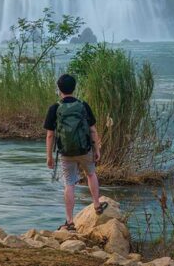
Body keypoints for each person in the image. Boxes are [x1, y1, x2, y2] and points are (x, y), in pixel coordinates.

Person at [44, 73, 107, 232]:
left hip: (65, 152)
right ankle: (97, 205)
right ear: (74, 88)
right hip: (84, 149)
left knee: (69, 183)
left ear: (59, 89)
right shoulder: (83, 105)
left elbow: (50, 135)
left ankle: (70, 221)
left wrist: (49, 157)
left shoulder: (55, 108)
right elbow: (92, 130)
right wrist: (97, 149)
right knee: (91, 174)